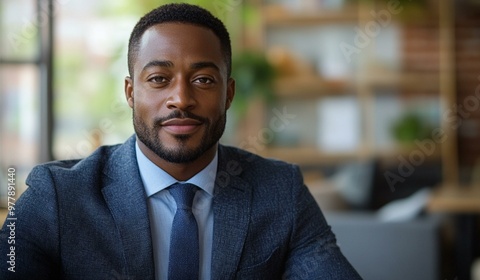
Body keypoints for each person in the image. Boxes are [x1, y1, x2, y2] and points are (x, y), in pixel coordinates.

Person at [0, 3, 361, 279]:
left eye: (203, 80)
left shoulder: (281, 191)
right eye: (159, 79)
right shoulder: (58, 196)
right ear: (130, 92)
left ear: (229, 93)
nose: (181, 99)